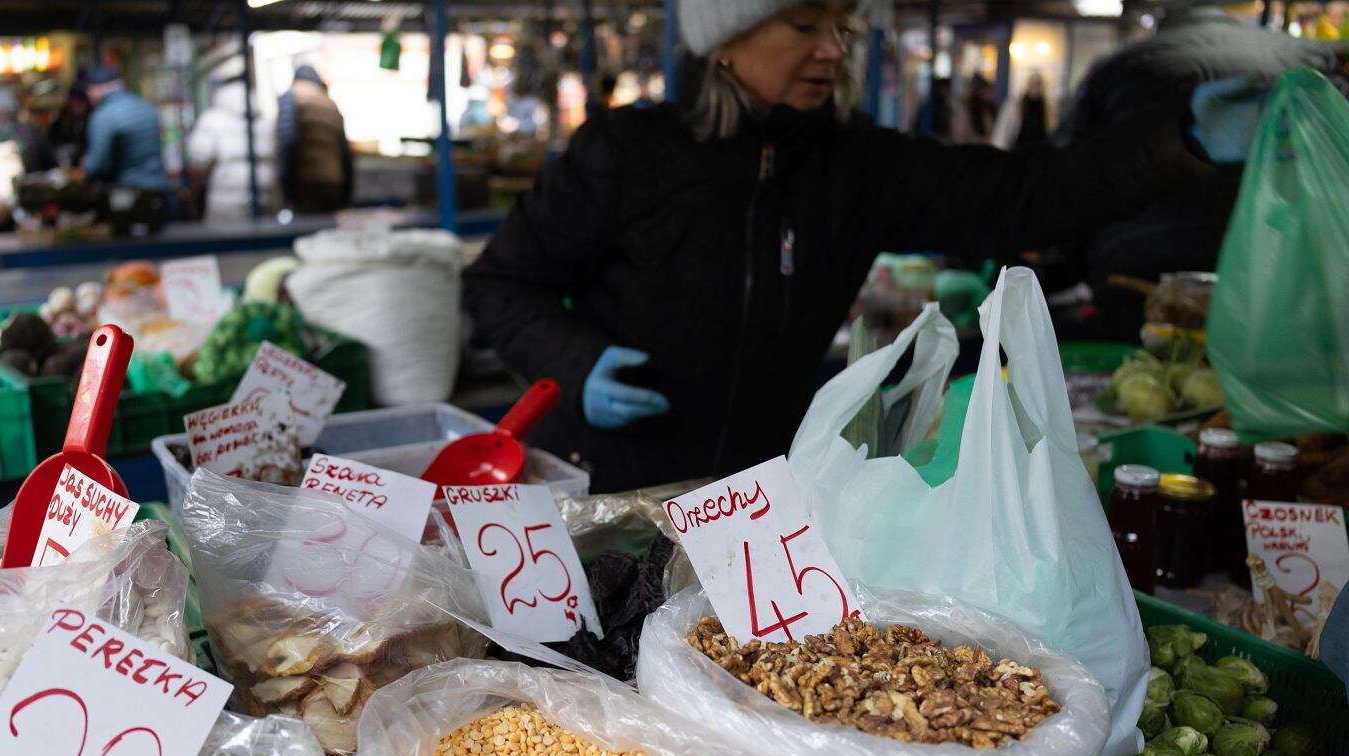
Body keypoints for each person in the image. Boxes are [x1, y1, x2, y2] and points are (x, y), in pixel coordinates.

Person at [463, 0, 1269, 493]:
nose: (834, 49)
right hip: (611, 478)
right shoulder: (625, 153)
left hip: (765, 489)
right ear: (727, 36)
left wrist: (1175, 143)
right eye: (805, 23)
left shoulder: (857, 168)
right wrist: (577, 360)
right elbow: (500, 285)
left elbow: (1027, 194)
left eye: (843, 25)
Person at [1057, 0, 1334, 338]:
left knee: (1145, 379)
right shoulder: (1302, 58)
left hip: (1139, 269)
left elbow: (1069, 179)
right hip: (1270, 271)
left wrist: (1071, 270)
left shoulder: (1116, 68)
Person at [188, 78, 276, 221]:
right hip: (264, 196)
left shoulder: (212, 119)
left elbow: (198, 160)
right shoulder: (264, 121)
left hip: (225, 202)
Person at [79, 66, 171, 191]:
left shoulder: (103, 115)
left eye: (89, 90)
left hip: (128, 193)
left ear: (96, 89)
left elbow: (95, 164)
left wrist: (85, 167)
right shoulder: (145, 106)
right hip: (159, 188)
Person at [276, 65, 352, 214]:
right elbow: (345, 154)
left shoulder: (291, 97)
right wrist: (347, 194)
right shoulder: (330, 103)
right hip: (334, 184)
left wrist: (286, 187)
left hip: (305, 185)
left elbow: (288, 141)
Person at [993, 72, 1053, 149]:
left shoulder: (1046, 107)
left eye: (1038, 85)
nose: (1035, 88)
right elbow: (1003, 132)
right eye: (1033, 84)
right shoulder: (1015, 105)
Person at [49, 86, 92, 168]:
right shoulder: (62, 118)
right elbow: (52, 139)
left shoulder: (91, 118)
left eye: (80, 104)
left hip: (84, 158)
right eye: (74, 103)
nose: (77, 106)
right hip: (64, 158)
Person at [952, 72, 999, 144]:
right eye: (987, 91)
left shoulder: (989, 109)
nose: (990, 94)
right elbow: (962, 136)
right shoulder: (969, 111)